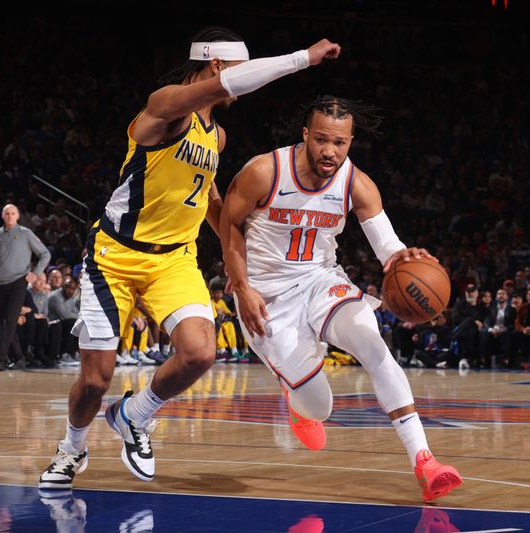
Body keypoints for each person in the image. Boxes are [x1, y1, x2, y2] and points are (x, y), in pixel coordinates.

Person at [39, 28, 342, 491]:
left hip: (174, 260)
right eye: (240, 68)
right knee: (96, 380)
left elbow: (211, 203)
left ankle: (134, 416)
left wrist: (247, 259)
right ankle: (71, 448)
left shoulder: (216, 136)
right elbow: (225, 87)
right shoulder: (164, 107)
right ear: (217, 66)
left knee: (201, 352)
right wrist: (303, 58)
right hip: (115, 256)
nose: (244, 79)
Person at [219, 96, 462, 502]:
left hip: (321, 280)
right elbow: (228, 223)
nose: (329, 151)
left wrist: (405, 256)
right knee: (319, 408)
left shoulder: (356, 183)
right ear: (304, 136)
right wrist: (241, 284)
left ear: (350, 141)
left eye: (340, 142)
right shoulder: (265, 171)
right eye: (320, 140)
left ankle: (425, 460)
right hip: (268, 295)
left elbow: (388, 248)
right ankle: (297, 399)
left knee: (372, 342)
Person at [0, 204, 51, 370]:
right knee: (6, 321)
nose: (10, 216)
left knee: (11, 319)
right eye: (7, 213)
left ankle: (1, 358)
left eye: (13, 213)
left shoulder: (26, 233)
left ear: (18, 216)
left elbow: (45, 254)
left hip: (19, 281)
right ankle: (20, 357)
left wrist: (36, 273)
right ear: (2, 215)